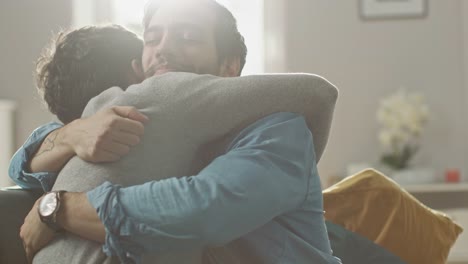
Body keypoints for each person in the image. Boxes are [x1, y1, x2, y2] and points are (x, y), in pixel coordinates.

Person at [13, 0, 341, 263]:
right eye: (153, 38)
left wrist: (59, 209)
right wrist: (73, 135)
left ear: (230, 67)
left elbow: (203, 212)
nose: (163, 50)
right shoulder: (146, 119)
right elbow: (23, 167)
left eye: (188, 37)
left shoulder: (278, 129)